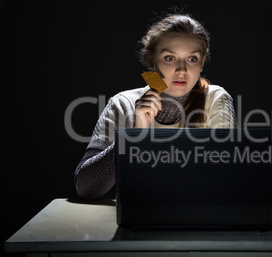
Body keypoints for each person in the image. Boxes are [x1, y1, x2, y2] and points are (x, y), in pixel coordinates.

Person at [74, 14, 236, 200]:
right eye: (170, 58)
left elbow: (224, 178)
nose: (182, 70)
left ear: (202, 62)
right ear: (151, 60)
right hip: (137, 221)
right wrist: (133, 135)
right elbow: (86, 189)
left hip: (199, 220)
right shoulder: (123, 102)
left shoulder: (216, 98)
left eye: (192, 59)